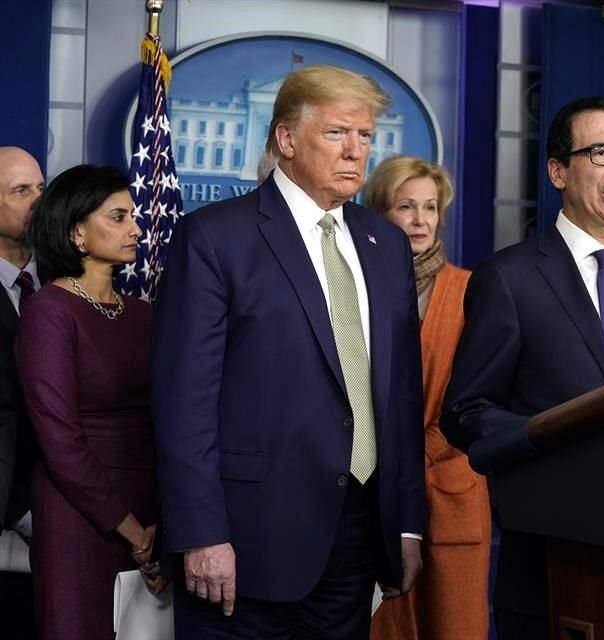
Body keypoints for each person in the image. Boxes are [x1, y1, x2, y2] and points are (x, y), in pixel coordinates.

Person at [152, 65, 426, 640]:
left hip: (357, 537)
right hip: (245, 540)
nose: (355, 150)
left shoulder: (386, 243)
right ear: (286, 139)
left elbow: (401, 395)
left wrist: (405, 524)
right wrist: (201, 532)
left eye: (365, 135)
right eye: (337, 133)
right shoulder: (215, 237)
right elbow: (184, 402)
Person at [441, 96, 604, 640]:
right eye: (601, 152)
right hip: (552, 556)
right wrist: (552, 440)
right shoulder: (509, 277)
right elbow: (466, 410)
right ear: (558, 171)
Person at [14, 164, 163, 639]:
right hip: (80, 516)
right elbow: (58, 438)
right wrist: (132, 531)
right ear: (76, 232)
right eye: (118, 217)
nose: (135, 229)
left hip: (151, 513)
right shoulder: (49, 311)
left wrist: (158, 527)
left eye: (133, 216)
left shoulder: (142, 314)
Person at [365, 155, 491, 640]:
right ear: (379, 213)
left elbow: (479, 394)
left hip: (450, 490)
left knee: (455, 627)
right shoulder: (359, 288)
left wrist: (412, 456)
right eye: (406, 206)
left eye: (430, 207)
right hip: (374, 494)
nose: (420, 220)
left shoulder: (471, 290)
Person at [0, 146, 44, 639]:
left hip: (60, 518)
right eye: (20, 191)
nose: (38, 201)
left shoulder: (67, 279)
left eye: (41, 188)